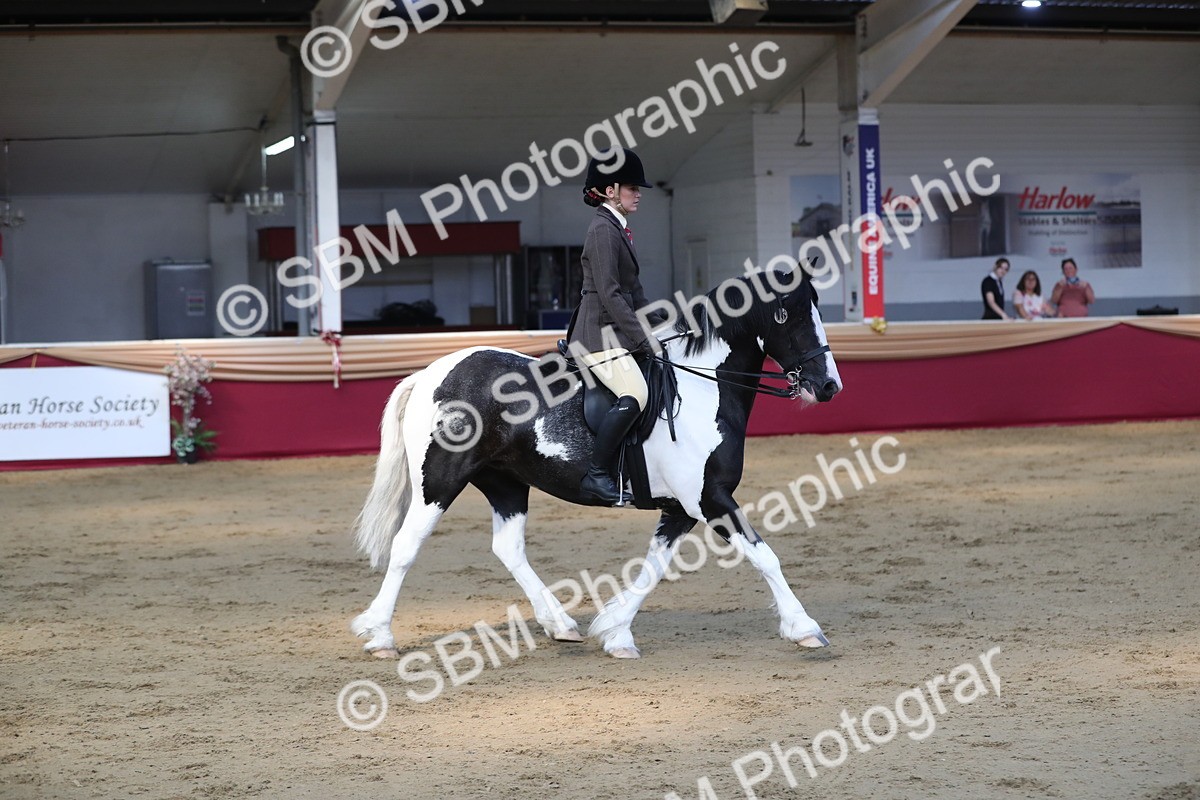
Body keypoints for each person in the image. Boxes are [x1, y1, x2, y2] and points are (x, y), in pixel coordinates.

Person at [567, 148, 666, 506]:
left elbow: (634, 292)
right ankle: (597, 475)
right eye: (630, 187)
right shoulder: (603, 231)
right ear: (610, 191)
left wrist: (666, 325)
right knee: (636, 395)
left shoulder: (619, 228)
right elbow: (609, 294)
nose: (638, 192)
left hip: (613, 332)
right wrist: (643, 339)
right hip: (597, 336)